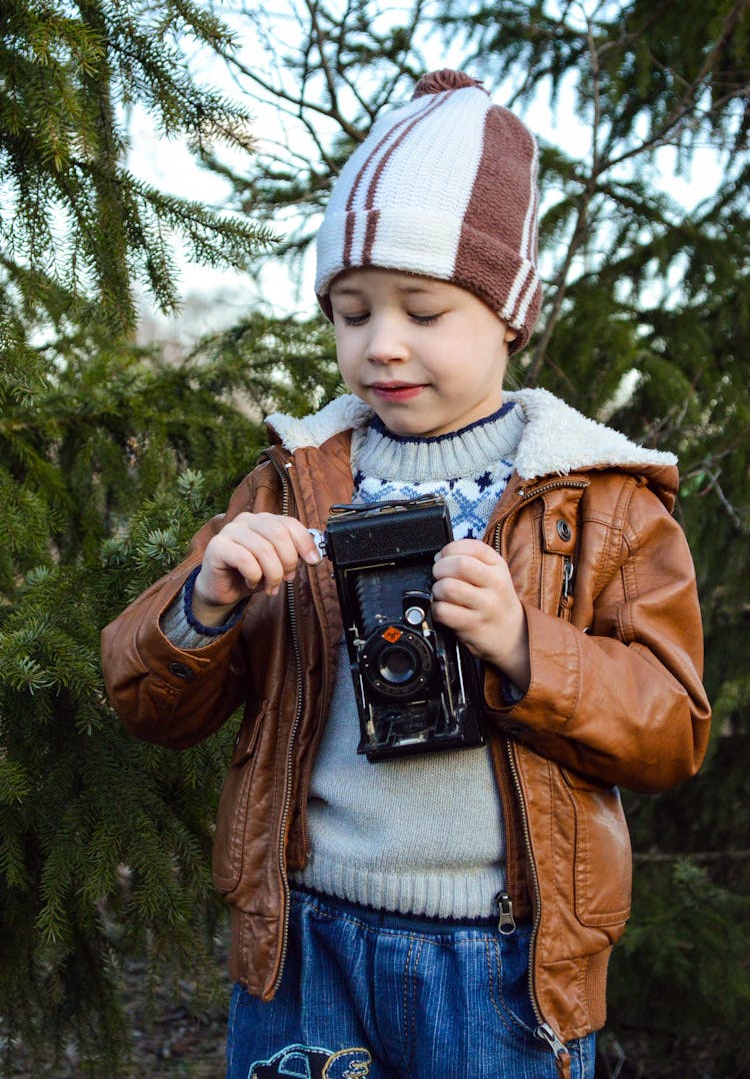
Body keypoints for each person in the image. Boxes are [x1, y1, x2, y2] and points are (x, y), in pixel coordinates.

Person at [101, 69, 711, 1079]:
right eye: (350, 312)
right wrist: (203, 604)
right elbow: (147, 701)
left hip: (502, 963)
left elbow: (673, 727)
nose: (382, 344)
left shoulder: (597, 501)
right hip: (307, 946)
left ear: (508, 317)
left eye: (424, 312)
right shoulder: (295, 483)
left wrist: (526, 647)